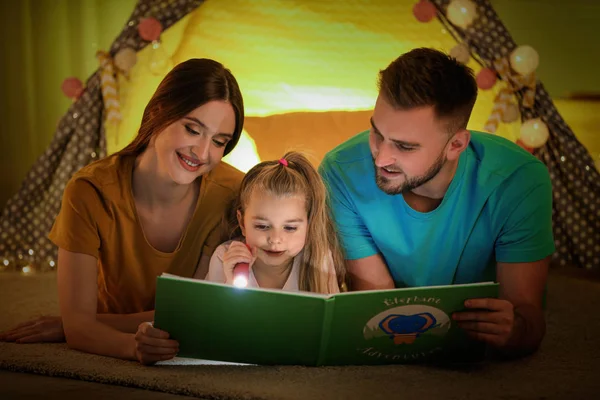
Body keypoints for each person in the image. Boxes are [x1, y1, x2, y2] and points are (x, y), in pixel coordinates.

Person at [0, 58, 245, 365]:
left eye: (219, 141)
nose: (203, 152)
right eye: (193, 129)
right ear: (159, 112)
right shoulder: (89, 191)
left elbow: (200, 312)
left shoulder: (233, 193)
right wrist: (130, 346)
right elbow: (79, 326)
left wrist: (78, 324)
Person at [318, 48, 554, 358]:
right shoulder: (339, 172)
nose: (381, 156)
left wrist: (513, 329)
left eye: (405, 146)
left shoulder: (520, 180)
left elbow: (527, 315)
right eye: (376, 134)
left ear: (456, 145)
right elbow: (377, 304)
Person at [198, 151, 346, 294]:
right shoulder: (224, 258)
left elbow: (333, 316)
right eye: (262, 226)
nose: (275, 239)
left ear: (309, 225)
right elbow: (210, 317)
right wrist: (228, 283)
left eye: (290, 228)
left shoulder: (319, 261)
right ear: (242, 223)